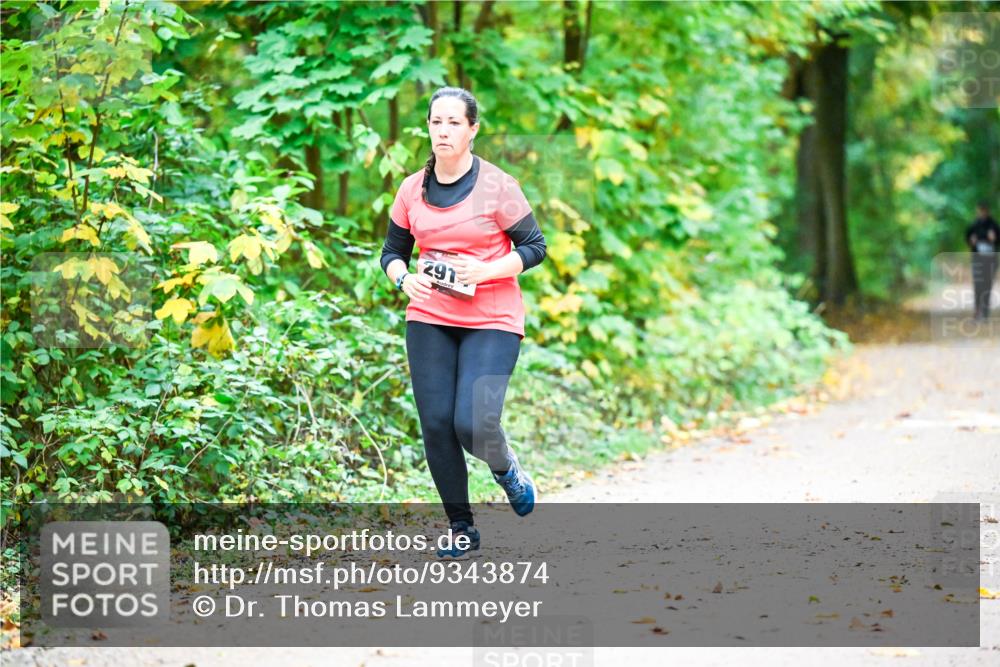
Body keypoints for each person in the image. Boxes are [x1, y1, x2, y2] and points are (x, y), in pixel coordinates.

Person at [379, 86, 547, 558]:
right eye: (436, 121)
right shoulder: (411, 189)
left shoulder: (497, 185)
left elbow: (534, 247)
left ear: (472, 129)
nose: (444, 131)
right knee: (436, 424)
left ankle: (507, 469)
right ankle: (461, 527)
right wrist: (403, 279)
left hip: (492, 316)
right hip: (430, 314)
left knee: (473, 422)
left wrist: (485, 270)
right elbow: (392, 253)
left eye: (454, 122)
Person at [965, 200, 999, 320]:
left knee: (987, 285)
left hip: (990, 260)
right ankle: (977, 310)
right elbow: (967, 238)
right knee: (978, 284)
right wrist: (971, 241)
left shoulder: (994, 225)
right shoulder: (974, 225)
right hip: (977, 259)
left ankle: (985, 312)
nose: (982, 213)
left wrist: (994, 238)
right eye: (980, 210)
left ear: (987, 211)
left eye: (984, 210)